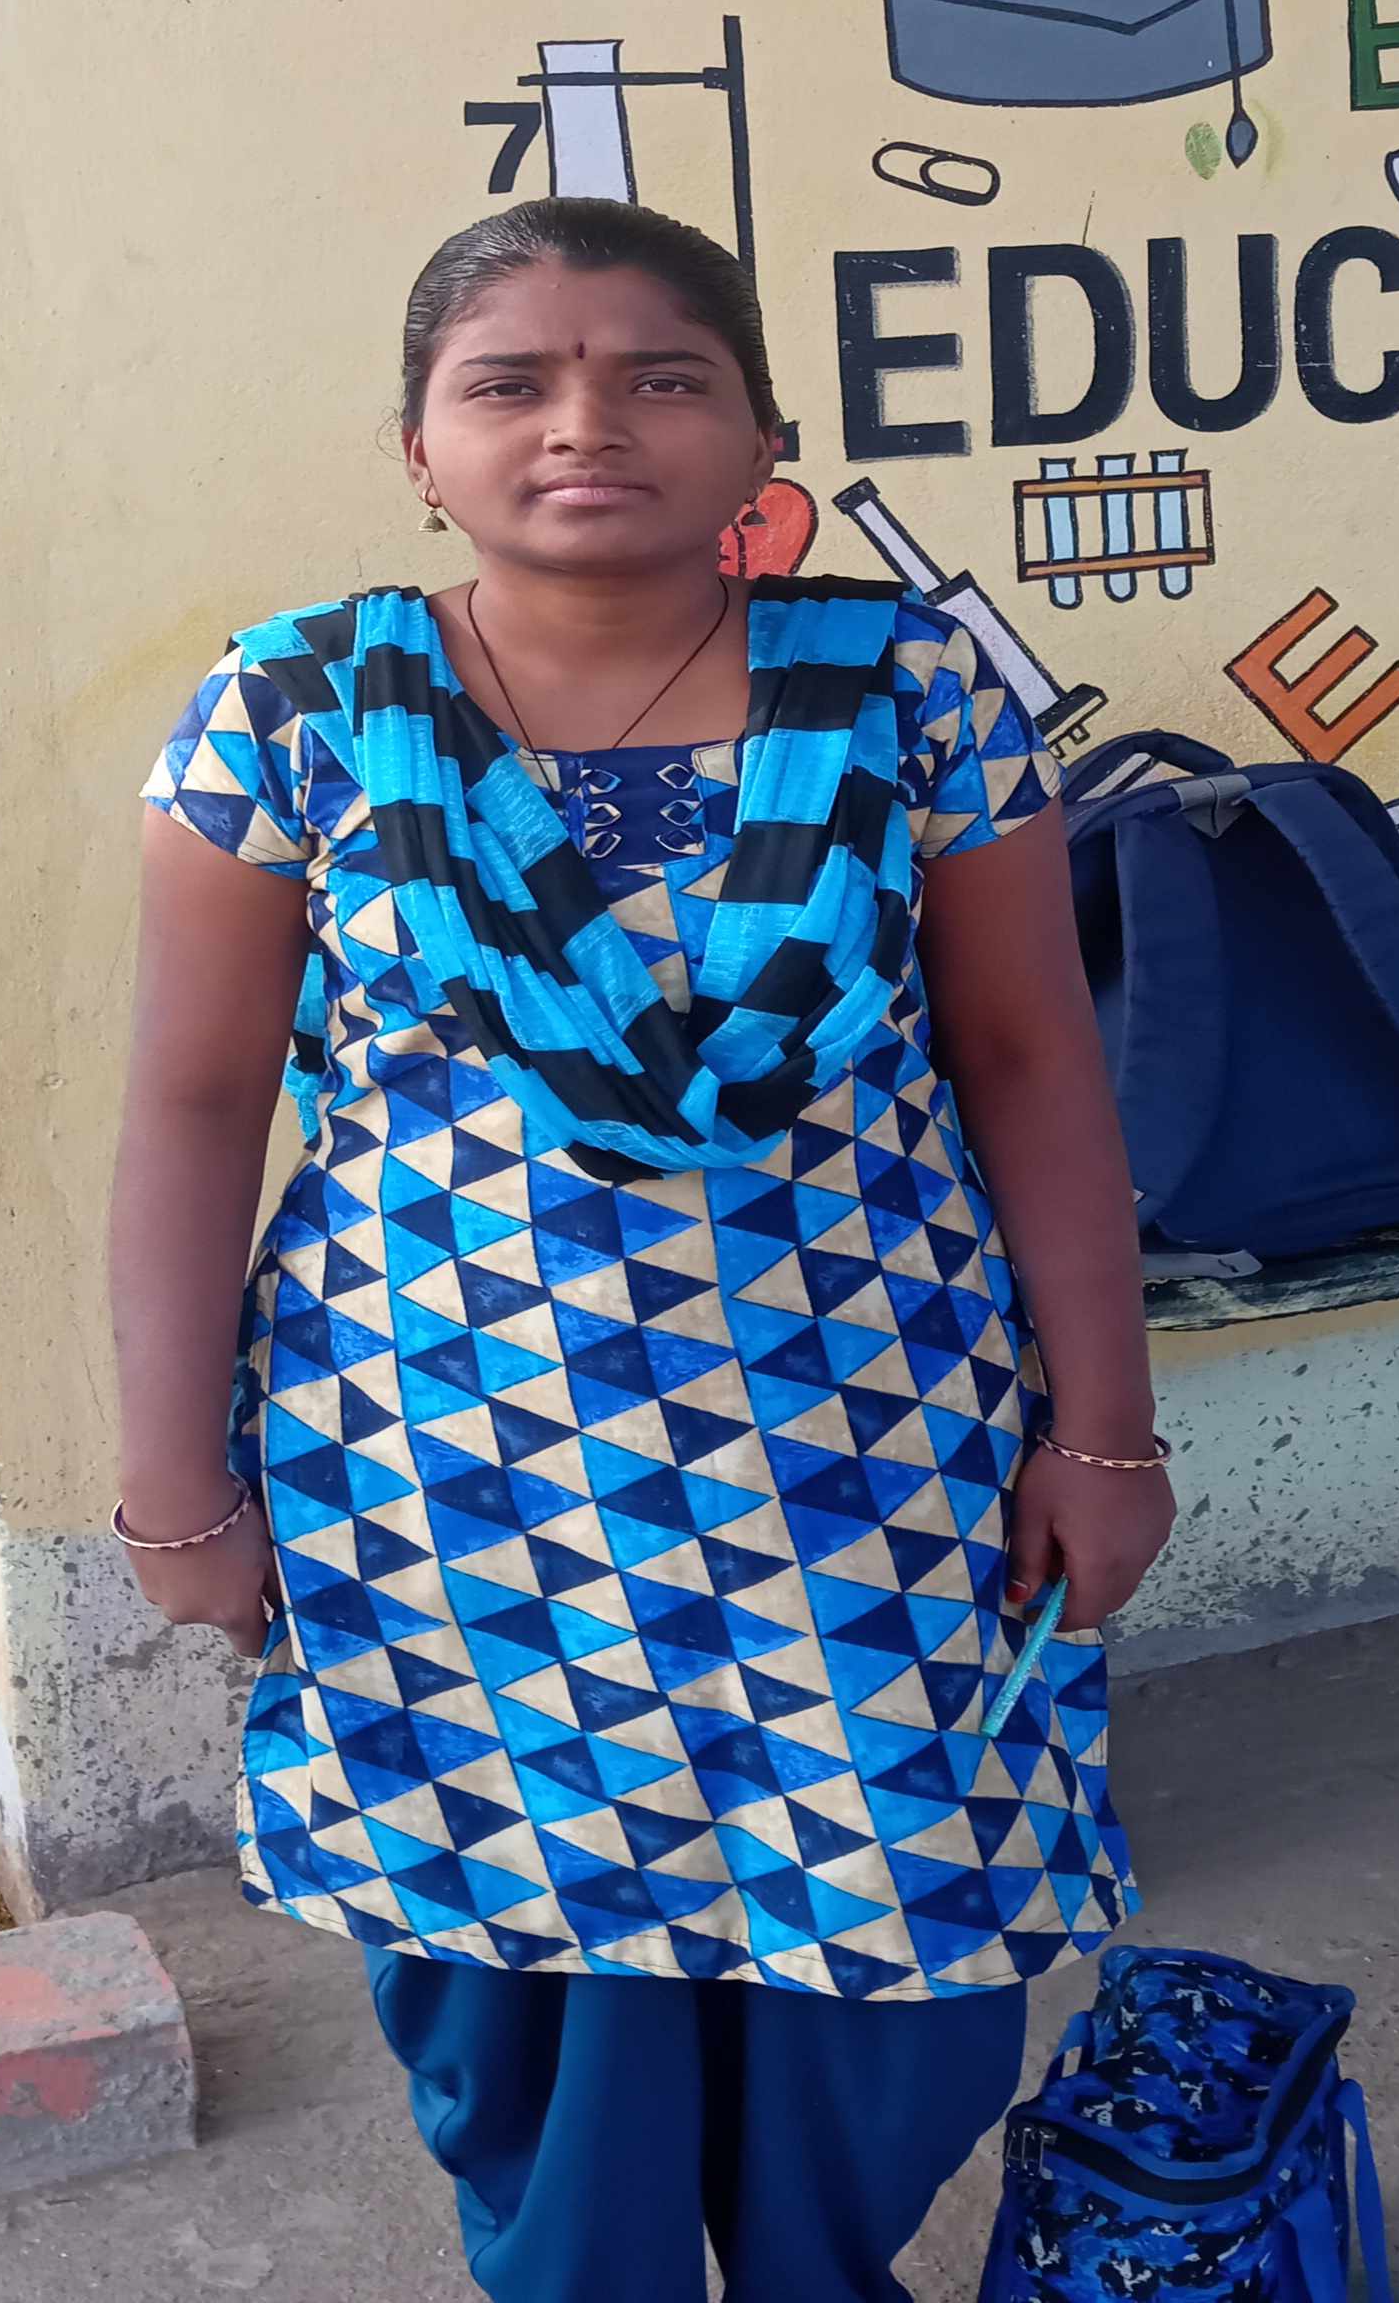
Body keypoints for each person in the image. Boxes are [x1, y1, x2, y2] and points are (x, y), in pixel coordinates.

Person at [110, 197, 1175, 2303]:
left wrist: (1108, 1436)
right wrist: (172, 1488)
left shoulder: (909, 691)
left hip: (868, 1458)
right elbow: (195, 1104)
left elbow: (1032, 1062)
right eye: (509, 381)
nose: (585, 422)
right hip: (449, 1479)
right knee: (523, 1982)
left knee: (897, 1946)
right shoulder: (295, 710)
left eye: (663, 375)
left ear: (763, 438)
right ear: (420, 448)